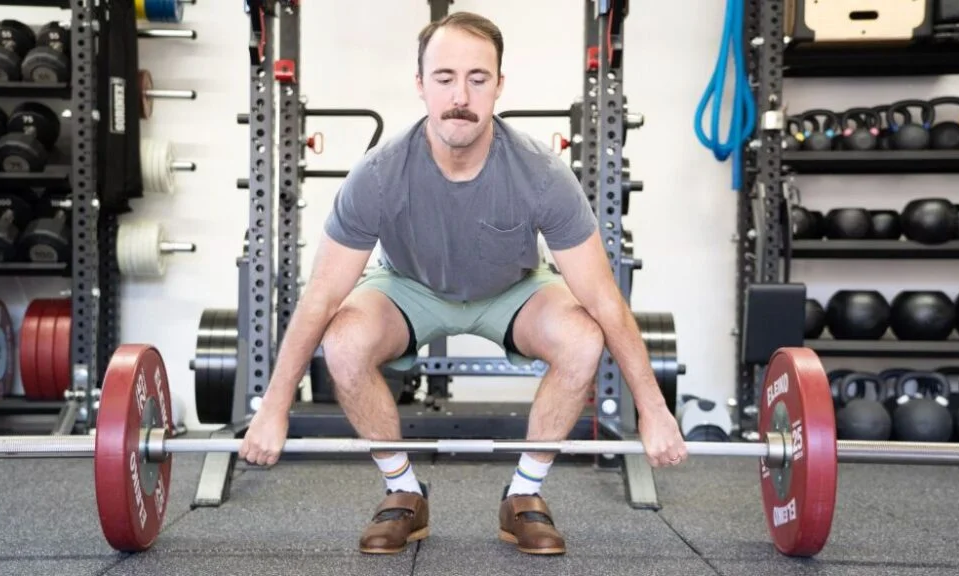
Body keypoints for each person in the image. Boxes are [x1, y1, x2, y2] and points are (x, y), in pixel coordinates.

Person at [238, 10, 687, 556]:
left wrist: (653, 409)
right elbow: (322, 295)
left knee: (582, 335)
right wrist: (274, 406)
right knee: (344, 339)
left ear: (499, 85)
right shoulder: (378, 175)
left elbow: (603, 298)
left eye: (478, 79)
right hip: (409, 287)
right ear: (420, 84)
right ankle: (403, 491)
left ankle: (523, 496)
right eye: (445, 77)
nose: (461, 96)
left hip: (513, 290)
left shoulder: (541, 174)